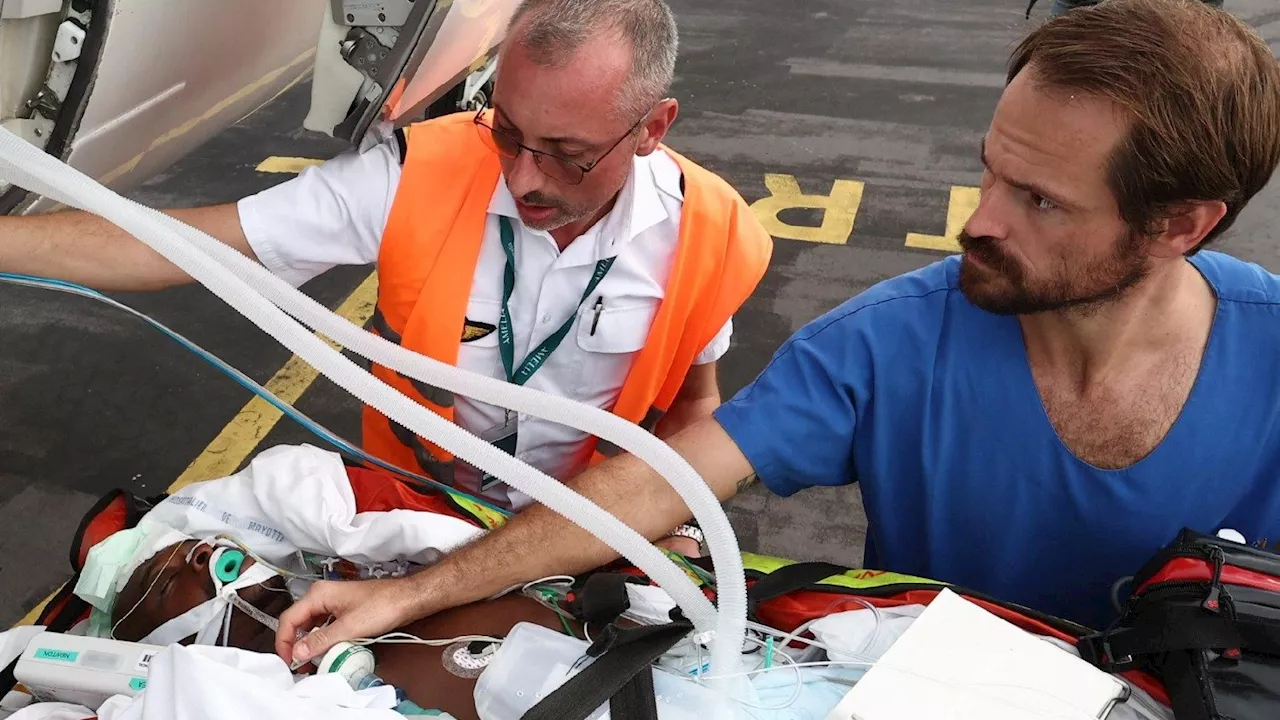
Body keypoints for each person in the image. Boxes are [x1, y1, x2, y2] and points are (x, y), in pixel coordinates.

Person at [275, 0, 1280, 667]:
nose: (977, 218)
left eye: (1039, 201)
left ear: (1178, 225)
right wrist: (416, 592)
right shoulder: (889, 342)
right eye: (987, 170)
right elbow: (652, 482)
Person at [0, 0, 773, 542]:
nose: (525, 179)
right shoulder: (417, 173)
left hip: (578, 526)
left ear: (653, 128)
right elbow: (183, 244)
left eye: (568, 155)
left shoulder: (714, 234)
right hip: (407, 511)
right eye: (507, 132)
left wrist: (672, 525)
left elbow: (692, 407)